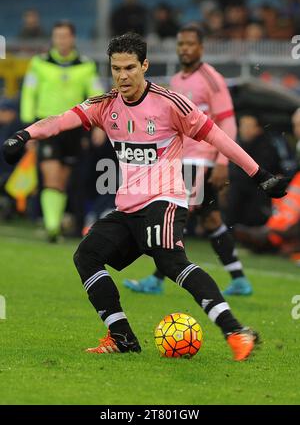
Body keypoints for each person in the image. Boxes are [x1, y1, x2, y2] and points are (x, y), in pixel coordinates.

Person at [3, 32, 289, 360]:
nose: (122, 76)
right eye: (116, 68)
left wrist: (259, 174)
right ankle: (121, 336)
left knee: (169, 259)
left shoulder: (170, 104)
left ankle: (236, 332)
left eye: (129, 68)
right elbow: (61, 120)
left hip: (165, 199)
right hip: (128, 207)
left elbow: (218, 137)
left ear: (145, 66)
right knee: (86, 256)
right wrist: (24, 134)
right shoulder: (105, 105)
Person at [124, 25, 253, 296]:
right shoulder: (179, 80)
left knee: (177, 216)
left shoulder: (212, 79)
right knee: (210, 220)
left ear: (201, 48)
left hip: (202, 160)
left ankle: (157, 279)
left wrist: (221, 162)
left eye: (190, 44)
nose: (184, 49)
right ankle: (239, 278)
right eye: (181, 44)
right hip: (183, 158)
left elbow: (228, 124)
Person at [20, 20, 104, 241]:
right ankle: (52, 227)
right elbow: (29, 93)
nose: (61, 40)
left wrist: (98, 125)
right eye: (57, 36)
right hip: (46, 126)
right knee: (51, 176)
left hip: (74, 127)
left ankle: (54, 223)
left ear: (72, 38)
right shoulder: (39, 63)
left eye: (65, 36)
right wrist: (28, 127)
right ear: (53, 38)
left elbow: (95, 95)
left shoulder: (85, 65)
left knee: (62, 180)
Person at [226, 114, 281, 228]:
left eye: (248, 126)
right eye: (242, 125)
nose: (243, 129)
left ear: (258, 129)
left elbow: (265, 172)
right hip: (239, 195)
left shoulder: (267, 147)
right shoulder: (237, 144)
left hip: (257, 196)